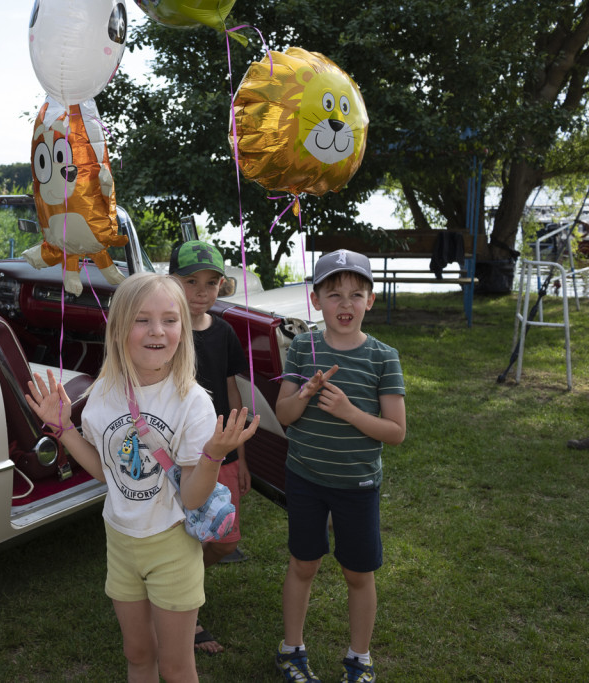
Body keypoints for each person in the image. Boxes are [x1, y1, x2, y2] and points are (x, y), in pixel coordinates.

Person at [25, 272, 260, 682]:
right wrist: (64, 430)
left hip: (171, 545)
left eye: (170, 320)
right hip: (120, 542)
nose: (157, 331)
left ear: (183, 330)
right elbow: (108, 473)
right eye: (142, 319)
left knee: (175, 664)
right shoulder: (102, 394)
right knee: (137, 654)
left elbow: (190, 498)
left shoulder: (193, 403)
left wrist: (211, 457)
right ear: (118, 330)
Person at [273, 250, 406, 683]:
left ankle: (359, 658)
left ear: (370, 300)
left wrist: (350, 413)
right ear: (315, 300)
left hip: (358, 484)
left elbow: (395, 431)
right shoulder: (302, 349)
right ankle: (291, 651)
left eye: (356, 294)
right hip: (306, 478)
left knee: (357, 572)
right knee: (303, 564)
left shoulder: (383, 357)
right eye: (334, 294)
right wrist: (306, 393)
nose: (345, 304)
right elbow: (285, 416)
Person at [169, 240, 251, 655]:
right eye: (191, 282)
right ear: (172, 283)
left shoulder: (225, 332)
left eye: (212, 283)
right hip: (180, 455)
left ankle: (178, 582)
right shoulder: (166, 332)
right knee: (184, 535)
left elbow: (233, 393)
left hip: (224, 453)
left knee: (225, 540)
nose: (202, 292)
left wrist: (243, 456)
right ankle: (188, 614)